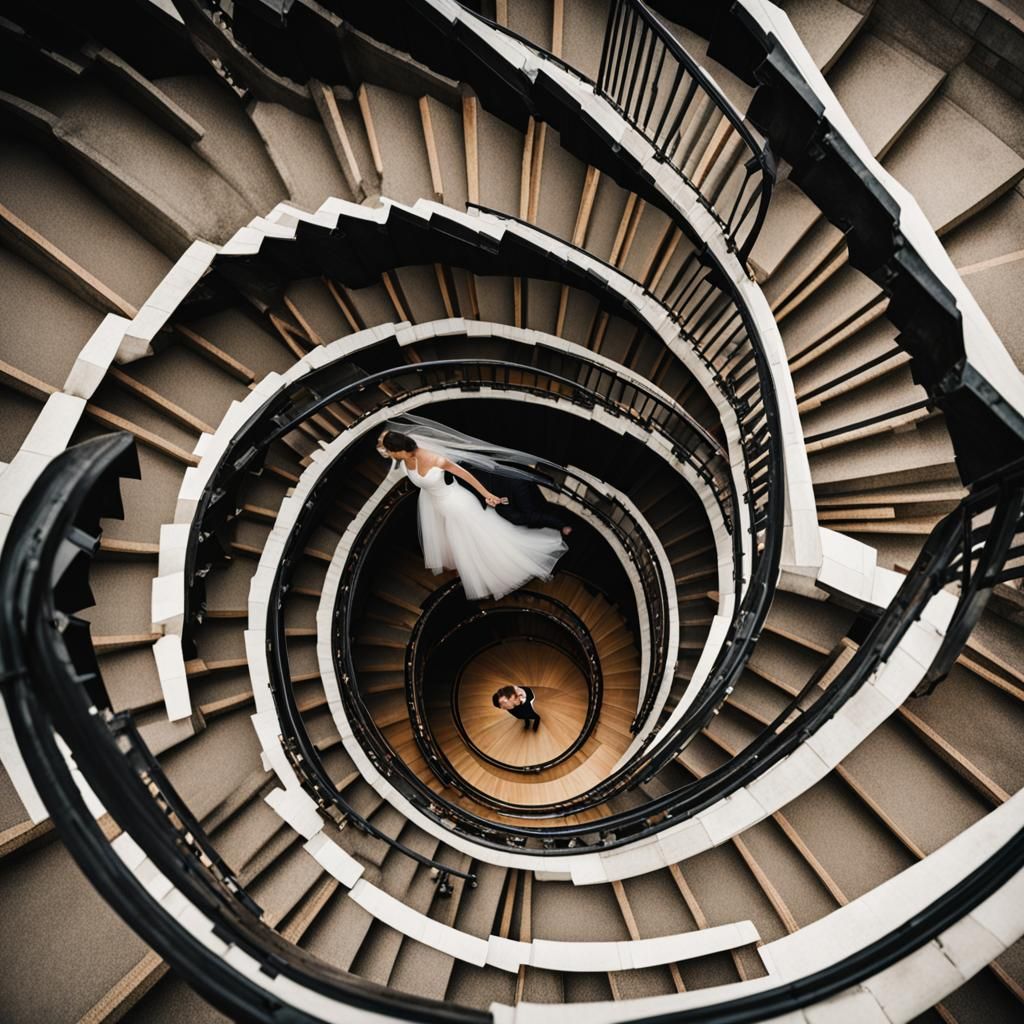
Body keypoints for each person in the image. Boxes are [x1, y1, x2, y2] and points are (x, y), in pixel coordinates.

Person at [377, 427, 568, 601]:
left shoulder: (436, 459)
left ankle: (503, 567)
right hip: (438, 504)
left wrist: (487, 495)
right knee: (461, 540)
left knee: (477, 536)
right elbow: (384, 441)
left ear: (400, 450)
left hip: (457, 502)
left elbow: (465, 475)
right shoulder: (403, 453)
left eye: (392, 452)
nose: (390, 456)